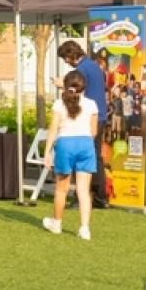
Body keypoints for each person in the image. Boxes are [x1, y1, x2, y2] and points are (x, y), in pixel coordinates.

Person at [43, 70, 100, 241]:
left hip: (65, 144)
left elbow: (53, 129)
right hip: (86, 144)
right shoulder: (91, 104)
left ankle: (57, 223)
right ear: (84, 87)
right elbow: (94, 131)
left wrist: (47, 152)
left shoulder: (59, 104)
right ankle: (84, 229)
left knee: (62, 188)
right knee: (83, 190)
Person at [58, 41, 113, 209]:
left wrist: (63, 85)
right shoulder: (94, 66)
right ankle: (100, 197)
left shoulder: (81, 70)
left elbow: (74, 94)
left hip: (87, 118)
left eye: (66, 58)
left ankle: (82, 196)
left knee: (82, 157)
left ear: (71, 55)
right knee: (95, 157)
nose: (66, 62)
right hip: (100, 115)